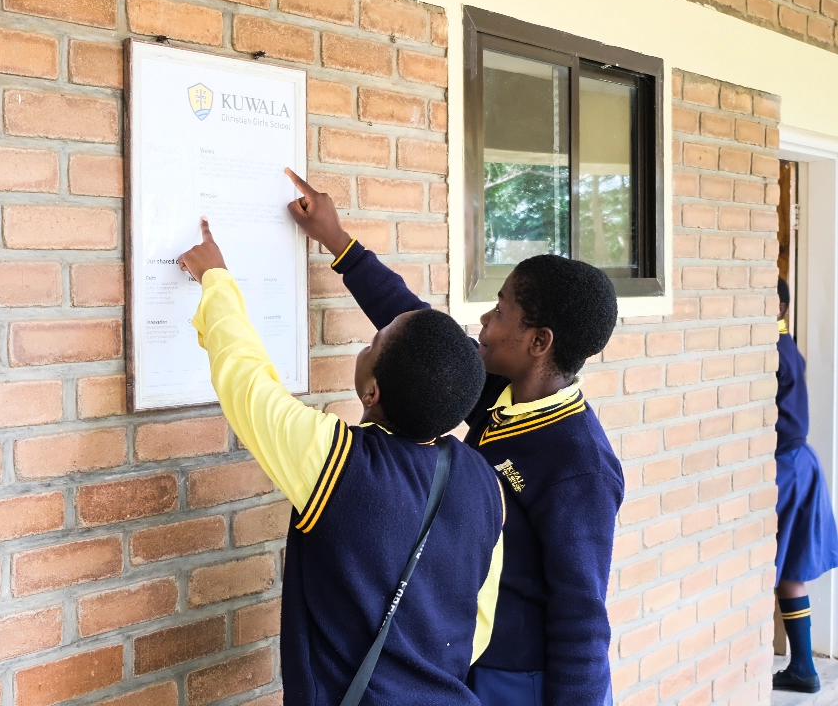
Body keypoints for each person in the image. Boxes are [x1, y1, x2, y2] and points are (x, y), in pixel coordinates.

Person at [284, 168, 623, 706]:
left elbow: (582, 614)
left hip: (519, 678)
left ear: (539, 342)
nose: (485, 318)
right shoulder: (498, 389)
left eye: (502, 309)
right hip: (464, 654)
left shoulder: (579, 464)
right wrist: (337, 241)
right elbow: (413, 328)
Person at [177, 218, 505, 705]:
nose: (364, 343)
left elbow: (246, 382)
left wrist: (216, 279)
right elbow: (479, 622)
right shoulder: (483, 479)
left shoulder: (339, 461)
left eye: (374, 343)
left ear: (372, 392)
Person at [772, 277, 838, 694]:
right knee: (790, 568)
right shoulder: (785, 344)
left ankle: (801, 667)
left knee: (775, 565)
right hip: (798, 464)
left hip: (787, 467)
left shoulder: (774, 350)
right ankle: (802, 668)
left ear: (777, 306)